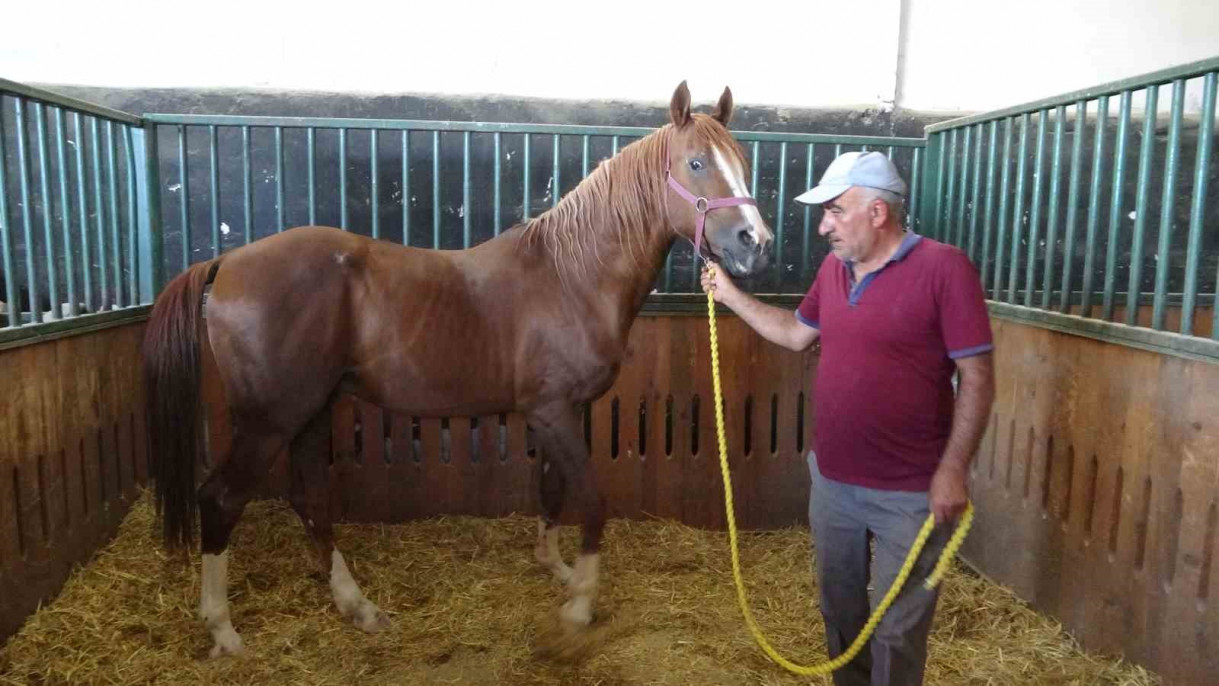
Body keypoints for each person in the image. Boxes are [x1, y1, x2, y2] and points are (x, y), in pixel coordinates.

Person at [700, 151, 995, 686]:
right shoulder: (834, 269)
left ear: (877, 212)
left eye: (835, 211)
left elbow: (976, 376)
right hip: (833, 482)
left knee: (895, 630)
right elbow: (796, 334)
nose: (823, 225)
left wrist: (954, 469)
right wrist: (730, 295)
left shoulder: (944, 268)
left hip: (912, 492)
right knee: (840, 615)